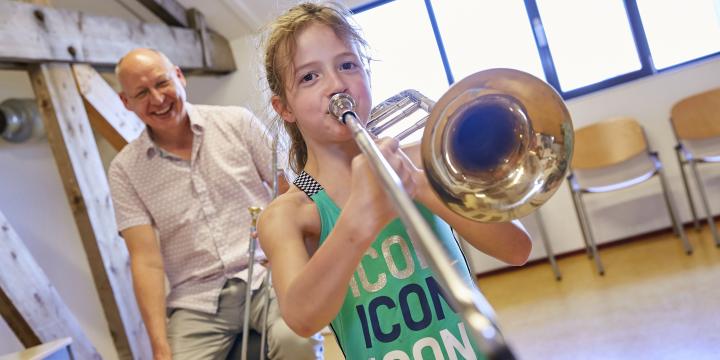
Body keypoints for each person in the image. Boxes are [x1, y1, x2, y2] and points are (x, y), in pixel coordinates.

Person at [258, 2, 533, 359]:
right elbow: (301, 319)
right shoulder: (290, 214)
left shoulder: (419, 162)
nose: (337, 84)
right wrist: (354, 223)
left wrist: (420, 186)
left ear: (367, 74)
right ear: (285, 109)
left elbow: (517, 249)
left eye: (347, 65)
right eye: (310, 76)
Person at [108, 48, 323, 360]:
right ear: (125, 102)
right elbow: (146, 262)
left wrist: (292, 254)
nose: (157, 99)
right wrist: (159, 347)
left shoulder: (237, 122)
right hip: (195, 299)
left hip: (267, 274)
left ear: (179, 76)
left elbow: (291, 195)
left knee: (298, 341)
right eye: (141, 92)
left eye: (162, 83)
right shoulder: (124, 170)